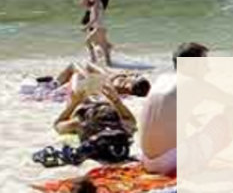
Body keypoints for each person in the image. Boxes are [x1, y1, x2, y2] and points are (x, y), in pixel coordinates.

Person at [139, 42, 208, 176]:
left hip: (147, 161)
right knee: (223, 121)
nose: (207, 68)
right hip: (170, 163)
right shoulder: (191, 83)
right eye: (204, 63)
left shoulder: (162, 79)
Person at [53, 61, 151, 98]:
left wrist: (118, 74)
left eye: (136, 77)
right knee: (87, 66)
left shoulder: (121, 84)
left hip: (91, 84)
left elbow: (108, 83)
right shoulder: (126, 86)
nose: (135, 76)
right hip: (96, 82)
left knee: (74, 65)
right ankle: (55, 84)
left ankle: (55, 84)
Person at [83, 0, 113, 66]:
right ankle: (108, 63)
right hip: (102, 27)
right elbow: (86, 6)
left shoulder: (96, 5)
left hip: (99, 28)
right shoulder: (99, 3)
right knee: (103, 46)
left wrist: (87, 26)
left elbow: (95, 18)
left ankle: (94, 60)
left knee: (88, 41)